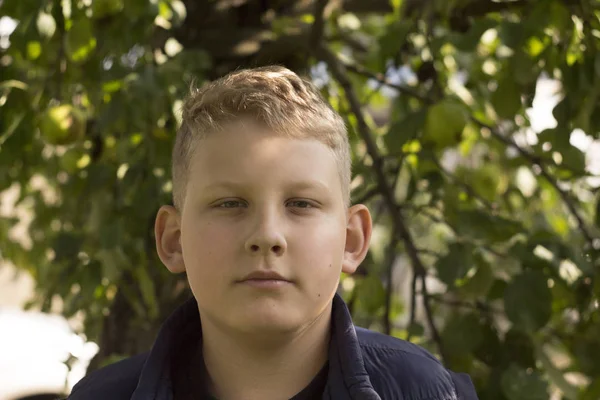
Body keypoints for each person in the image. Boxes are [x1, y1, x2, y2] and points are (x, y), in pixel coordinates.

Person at [68, 66, 478, 400]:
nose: (267, 235)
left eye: (301, 204)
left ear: (352, 240)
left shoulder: (424, 390)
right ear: (173, 240)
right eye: (230, 204)